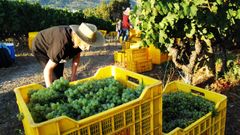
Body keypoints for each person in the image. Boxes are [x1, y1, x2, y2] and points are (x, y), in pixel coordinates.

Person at [32, 22, 105, 87]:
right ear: (79, 39)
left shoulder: (80, 41)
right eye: (86, 44)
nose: (88, 48)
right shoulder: (62, 47)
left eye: (90, 45)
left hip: (57, 45)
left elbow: (76, 57)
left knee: (59, 76)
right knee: (55, 77)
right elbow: (47, 70)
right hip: (41, 47)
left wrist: (73, 77)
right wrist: (50, 91)